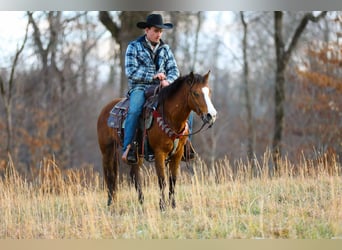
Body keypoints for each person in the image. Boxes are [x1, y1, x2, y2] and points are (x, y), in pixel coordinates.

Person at [122, 13, 196, 163]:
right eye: (156, 31)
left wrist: (168, 80)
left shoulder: (165, 49)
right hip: (140, 87)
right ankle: (129, 148)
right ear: (147, 30)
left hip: (163, 87)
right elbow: (131, 71)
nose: (159, 34)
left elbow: (174, 70)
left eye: (160, 31)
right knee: (135, 109)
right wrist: (153, 76)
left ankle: (185, 144)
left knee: (188, 108)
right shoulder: (133, 47)